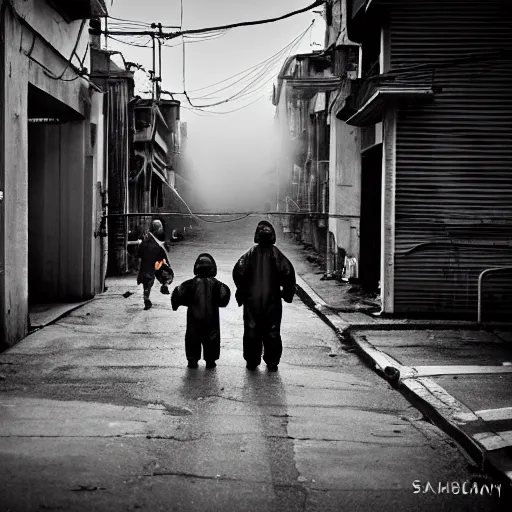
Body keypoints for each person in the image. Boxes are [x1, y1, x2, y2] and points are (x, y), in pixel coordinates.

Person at [232, 221, 296, 372]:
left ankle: (252, 360)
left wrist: (243, 290)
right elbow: (288, 275)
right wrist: (287, 293)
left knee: (251, 330)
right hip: (272, 300)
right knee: (272, 331)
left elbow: (238, 272)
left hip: (252, 300)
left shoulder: (250, 255)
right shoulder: (277, 255)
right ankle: (272, 361)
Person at [171, 253, 231, 369]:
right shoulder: (217, 284)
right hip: (211, 319)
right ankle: (210, 360)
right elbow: (224, 297)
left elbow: (178, 293)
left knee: (192, 338)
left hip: (194, 319)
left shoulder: (190, 284)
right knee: (212, 338)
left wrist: (176, 304)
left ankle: (192, 360)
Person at [136, 219, 172, 310]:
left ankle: (146, 297)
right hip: (157, 257)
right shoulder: (158, 236)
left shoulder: (146, 237)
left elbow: (139, 252)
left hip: (149, 260)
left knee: (147, 280)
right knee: (165, 270)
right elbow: (164, 248)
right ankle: (164, 285)